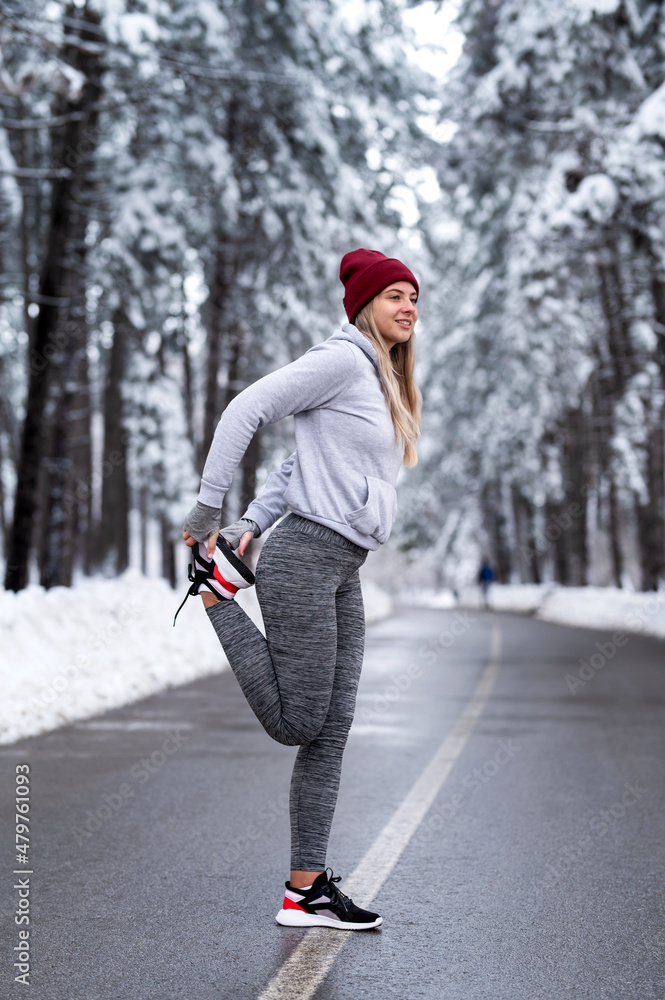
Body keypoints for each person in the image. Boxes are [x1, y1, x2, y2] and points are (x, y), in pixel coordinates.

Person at [179, 248, 421, 931]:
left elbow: (299, 462)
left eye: (413, 298)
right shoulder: (342, 360)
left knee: (330, 733)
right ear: (365, 305)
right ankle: (215, 597)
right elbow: (245, 408)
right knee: (298, 723)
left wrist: (252, 519)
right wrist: (209, 509)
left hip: (341, 564)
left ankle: (305, 890)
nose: (407, 308)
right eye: (395, 296)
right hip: (303, 559)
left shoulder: (377, 378)